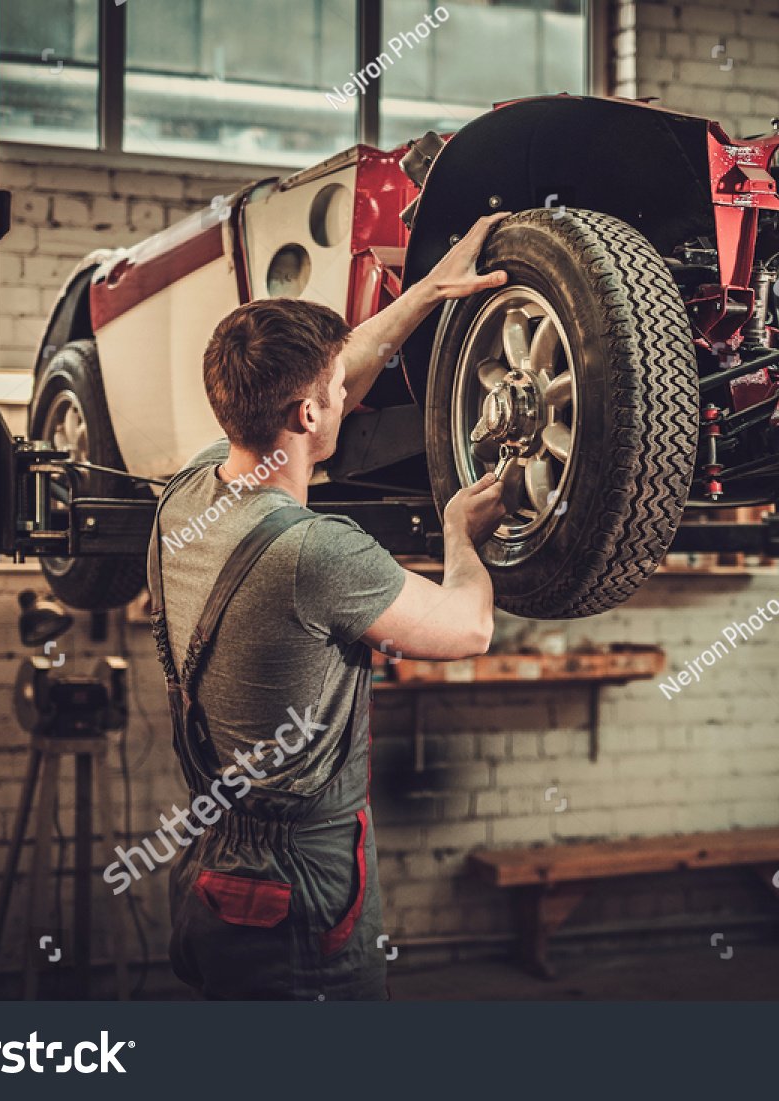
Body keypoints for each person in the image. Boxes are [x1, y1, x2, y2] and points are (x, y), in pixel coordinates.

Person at [147, 213, 514, 999]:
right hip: (300, 886)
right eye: (334, 389)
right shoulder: (315, 553)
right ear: (307, 416)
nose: (349, 391)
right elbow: (470, 627)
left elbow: (348, 362)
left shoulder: (192, 491)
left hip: (213, 860)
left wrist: (423, 294)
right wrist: (460, 533)